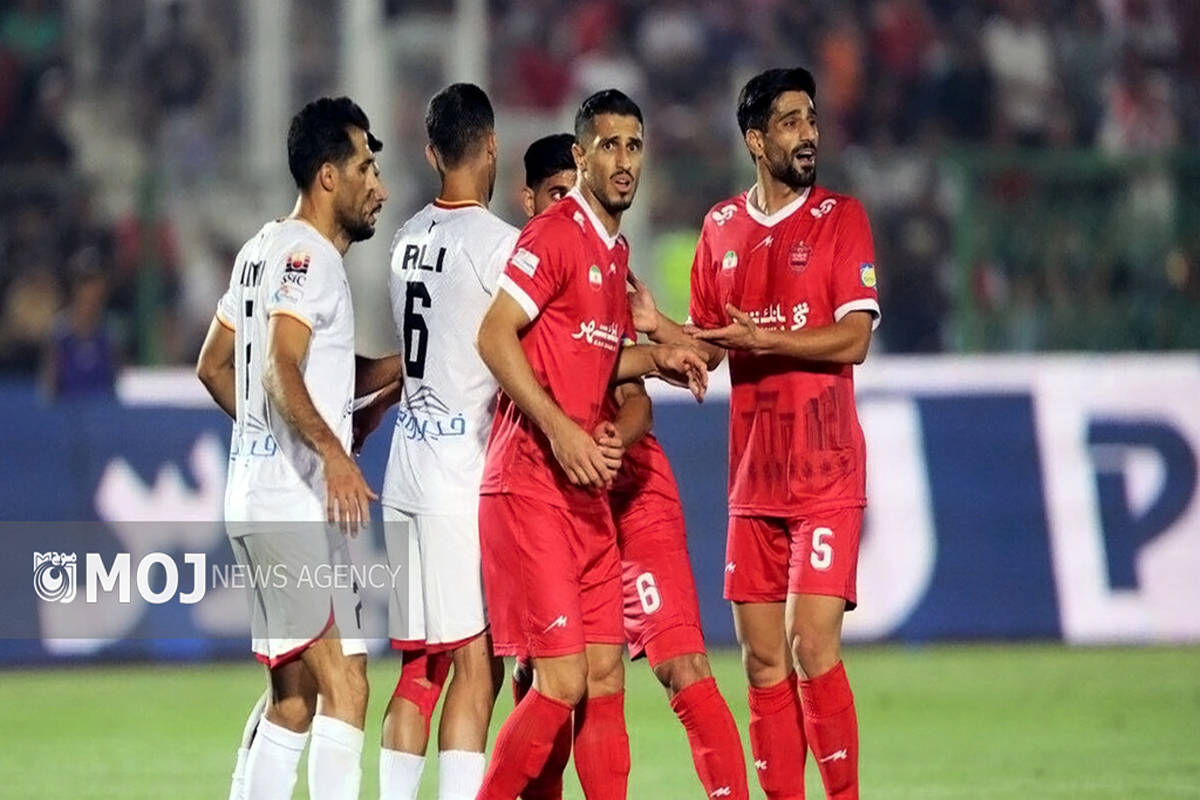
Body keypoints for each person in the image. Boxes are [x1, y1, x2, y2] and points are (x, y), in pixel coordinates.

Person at [635, 68, 880, 799]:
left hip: (827, 472)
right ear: (755, 139)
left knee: (811, 645)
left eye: (812, 120)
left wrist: (766, 340)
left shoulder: (841, 217)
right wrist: (655, 330)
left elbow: (854, 339)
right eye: (791, 122)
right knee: (763, 662)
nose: (808, 135)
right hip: (754, 482)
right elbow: (710, 348)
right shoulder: (720, 229)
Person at [473, 89, 707, 800]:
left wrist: (658, 356)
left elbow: (593, 359)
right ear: (580, 157)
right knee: (561, 681)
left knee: (605, 679)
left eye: (634, 145)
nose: (624, 160)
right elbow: (493, 335)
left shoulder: (616, 251)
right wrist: (560, 428)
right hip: (530, 483)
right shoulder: (554, 234)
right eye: (609, 146)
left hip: (584, 493)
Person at [509, 132, 749, 800]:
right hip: (552, 497)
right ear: (530, 203)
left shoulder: (603, 269)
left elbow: (636, 397)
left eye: (573, 192)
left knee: (682, 665)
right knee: (556, 679)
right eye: (555, 196)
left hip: (629, 490)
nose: (569, 207)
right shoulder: (521, 284)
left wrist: (616, 433)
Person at [195, 95, 393, 800]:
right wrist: (329, 452)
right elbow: (281, 365)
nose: (379, 187)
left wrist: (399, 373)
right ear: (328, 176)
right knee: (348, 685)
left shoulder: (261, 250)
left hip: (261, 496)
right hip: (292, 505)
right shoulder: (313, 258)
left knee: (296, 697)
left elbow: (214, 366)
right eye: (366, 168)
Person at [357, 82, 514, 800]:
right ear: (491, 145)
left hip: (407, 468)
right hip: (458, 475)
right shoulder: (499, 246)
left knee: (420, 666)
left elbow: (424, 355)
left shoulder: (405, 239)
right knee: (476, 662)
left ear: (429, 152)